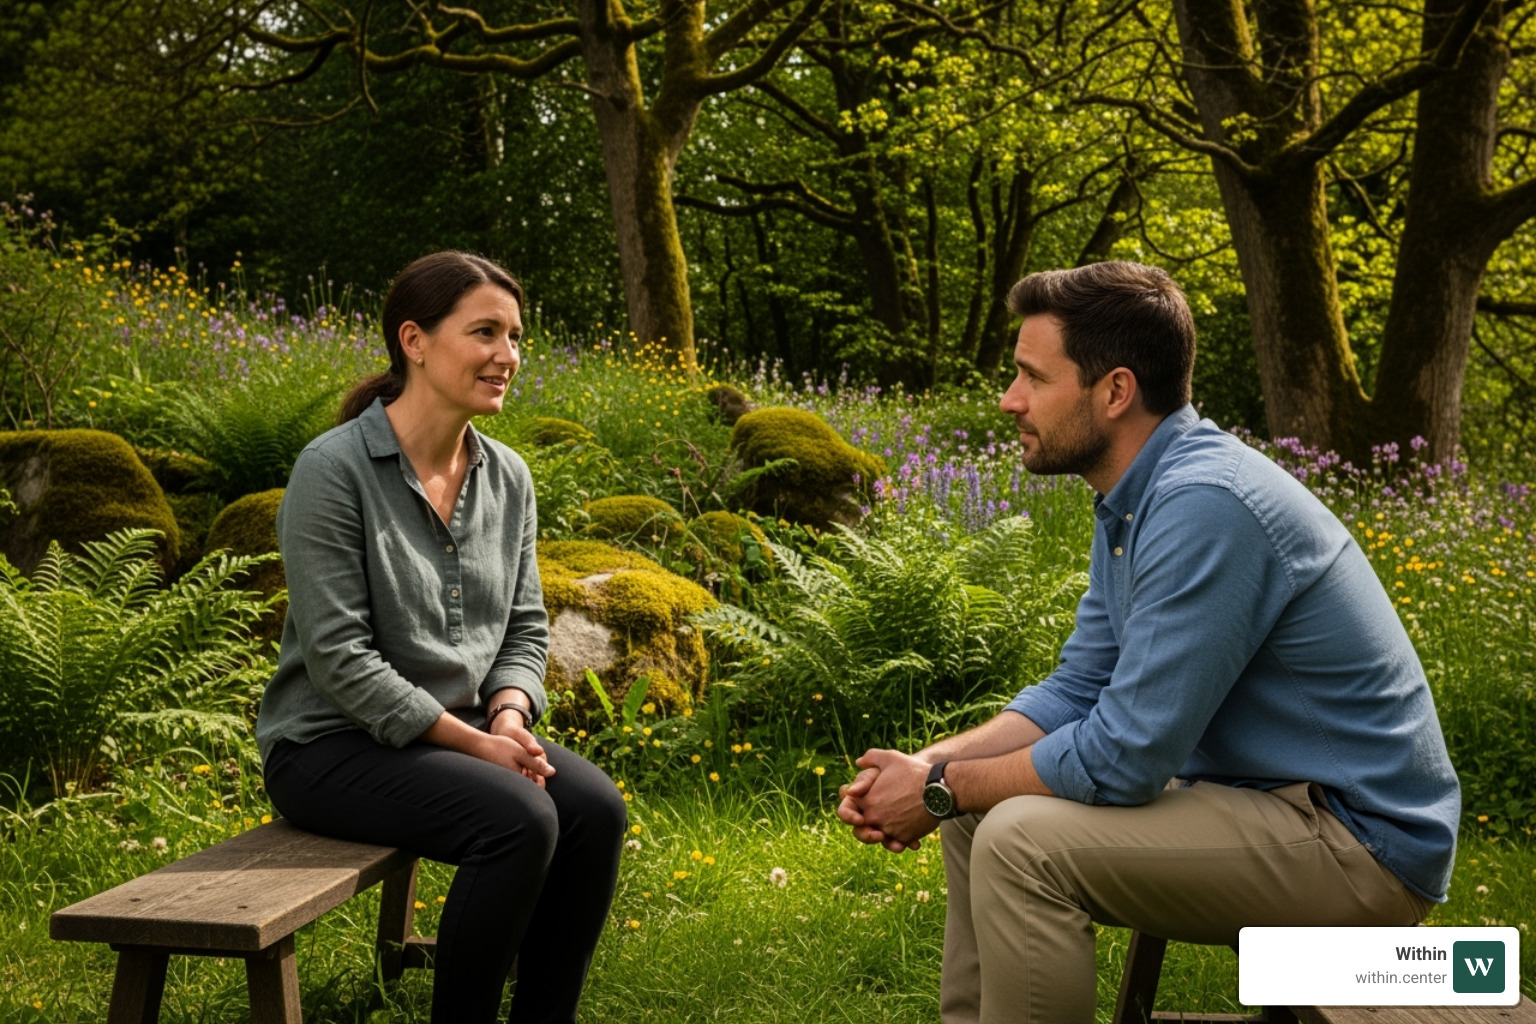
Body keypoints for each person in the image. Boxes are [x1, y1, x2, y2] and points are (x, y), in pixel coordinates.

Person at [835, 261, 1460, 1024]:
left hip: (1359, 846)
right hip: (1273, 805)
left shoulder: (1207, 504)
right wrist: (936, 767)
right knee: (975, 817)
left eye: (1033, 377)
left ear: (1115, 391)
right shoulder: (1135, 498)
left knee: (1020, 843)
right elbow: (1076, 691)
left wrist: (938, 789)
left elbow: (1126, 757)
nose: (1010, 400)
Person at [257, 251, 626, 1024]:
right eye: (484, 331)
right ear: (415, 341)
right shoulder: (333, 470)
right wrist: (474, 744)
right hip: (329, 746)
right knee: (518, 820)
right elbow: (338, 659)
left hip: (456, 736)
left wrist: (510, 718)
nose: (507, 356)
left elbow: (524, 626)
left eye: (516, 336)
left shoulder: (509, 477)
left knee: (595, 808)